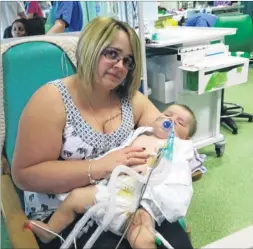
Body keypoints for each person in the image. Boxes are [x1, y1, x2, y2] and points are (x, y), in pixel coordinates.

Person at [12, 17, 193, 249]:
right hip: (63, 210)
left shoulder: (131, 100)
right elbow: (24, 174)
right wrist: (101, 167)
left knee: (175, 242)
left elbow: (165, 137)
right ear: (91, 48)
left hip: (125, 196)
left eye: (128, 61)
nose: (120, 66)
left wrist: (166, 128)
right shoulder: (51, 101)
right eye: (112, 54)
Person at [24, 103, 197, 248]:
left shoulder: (181, 148)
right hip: (116, 186)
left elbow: (179, 181)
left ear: (187, 137)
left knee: (141, 235)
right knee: (76, 197)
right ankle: (51, 229)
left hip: (144, 198)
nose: (171, 121)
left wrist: (147, 207)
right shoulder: (143, 132)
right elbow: (116, 153)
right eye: (167, 115)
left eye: (180, 122)